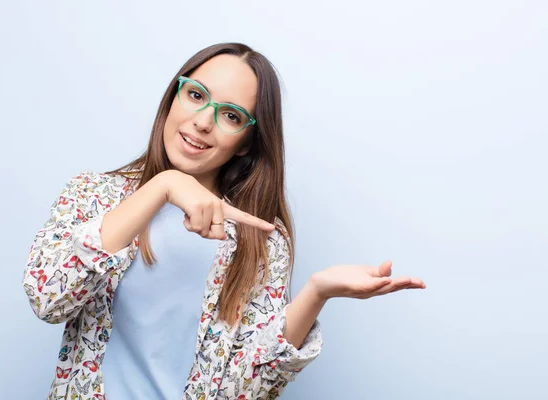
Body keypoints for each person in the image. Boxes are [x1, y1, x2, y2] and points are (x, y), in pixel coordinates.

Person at [22, 42, 426, 400]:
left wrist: (317, 292)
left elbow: (248, 390)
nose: (203, 121)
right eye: (195, 95)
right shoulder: (94, 196)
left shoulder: (260, 239)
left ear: (246, 141)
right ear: (173, 98)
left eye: (230, 115)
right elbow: (48, 299)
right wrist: (163, 185)